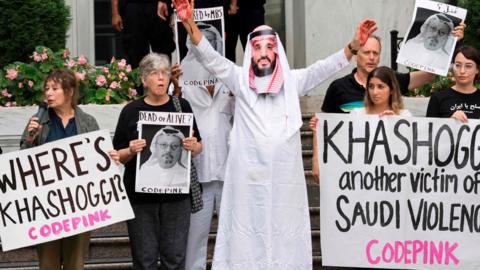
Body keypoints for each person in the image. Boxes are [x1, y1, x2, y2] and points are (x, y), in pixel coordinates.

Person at [173, 0, 377, 268]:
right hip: (248, 184)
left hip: (284, 184)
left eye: (269, 47)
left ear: (277, 51)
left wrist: (353, 46)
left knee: (285, 235)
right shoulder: (239, 80)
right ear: (250, 53)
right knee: (246, 238)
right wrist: (188, 22)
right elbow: (210, 56)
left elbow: (324, 67)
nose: (264, 53)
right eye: (257, 48)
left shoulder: (292, 81)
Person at [20, 69, 119, 270]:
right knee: (48, 263)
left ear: (70, 91)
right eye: (46, 88)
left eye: (55, 89)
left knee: (75, 263)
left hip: (78, 204)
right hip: (47, 206)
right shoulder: (39, 122)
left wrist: (111, 158)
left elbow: (98, 158)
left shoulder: (87, 122)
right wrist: (32, 138)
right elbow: (23, 161)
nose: (48, 93)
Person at [112, 52, 202, 270]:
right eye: (154, 74)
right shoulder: (130, 111)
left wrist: (193, 146)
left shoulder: (182, 106)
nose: (161, 78)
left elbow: (199, 145)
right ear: (144, 79)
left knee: (175, 258)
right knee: (144, 260)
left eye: (164, 73)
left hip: (177, 197)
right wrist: (131, 150)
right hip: (141, 199)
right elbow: (117, 155)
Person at [172, 56, 234, 270]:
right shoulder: (185, 87)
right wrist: (176, 88)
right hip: (199, 177)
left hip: (230, 175)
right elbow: (174, 113)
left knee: (233, 235)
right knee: (196, 238)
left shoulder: (229, 82)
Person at [111, 0, 175, 94]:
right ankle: (138, 95)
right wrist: (115, 13)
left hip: (158, 5)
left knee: (163, 53)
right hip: (132, 7)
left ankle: (165, 94)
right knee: (134, 52)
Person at [426, 46, 480, 121]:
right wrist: (450, 121)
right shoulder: (438, 98)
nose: (462, 71)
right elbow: (428, 129)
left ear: (477, 69)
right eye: (457, 65)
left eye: (468, 66)